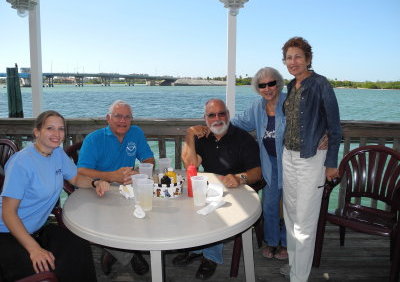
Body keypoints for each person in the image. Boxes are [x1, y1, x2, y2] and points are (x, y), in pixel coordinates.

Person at [0, 110, 110, 282]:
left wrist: (95, 182)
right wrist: (34, 249)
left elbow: (75, 178)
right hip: (7, 233)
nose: (57, 134)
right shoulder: (21, 163)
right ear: (37, 132)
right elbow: (8, 213)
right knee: (41, 272)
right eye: (50, 128)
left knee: (78, 246)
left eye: (61, 129)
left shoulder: (57, 154)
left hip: (37, 229)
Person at [174, 98, 262, 280]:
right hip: (212, 187)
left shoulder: (243, 138)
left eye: (221, 113)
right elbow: (191, 165)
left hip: (239, 191)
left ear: (228, 115)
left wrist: (240, 178)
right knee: (186, 202)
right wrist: (190, 134)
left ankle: (210, 257)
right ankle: (197, 248)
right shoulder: (203, 137)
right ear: (205, 118)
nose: (217, 118)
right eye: (211, 115)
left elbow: (257, 173)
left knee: (215, 212)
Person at [280, 37, 341, 282]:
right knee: (292, 216)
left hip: (311, 159)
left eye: (297, 57)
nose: (293, 62)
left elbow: (335, 127)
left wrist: (331, 164)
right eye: (288, 57)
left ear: (308, 59)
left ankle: (299, 277)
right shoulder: (289, 85)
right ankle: (295, 267)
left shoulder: (320, 84)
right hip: (289, 156)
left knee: (304, 223)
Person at [77, 100, 155, 277]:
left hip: (126, 187)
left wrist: (137, 173)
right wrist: (111, 176)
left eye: (127, 117)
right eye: (118, 116)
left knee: (147, 208)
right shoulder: (94, 139)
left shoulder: (135, 133)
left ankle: (111, 252)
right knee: (108, 217)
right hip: (97, 187)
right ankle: (129, 255)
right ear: (108, 118)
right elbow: (81, 170)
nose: (123, 121)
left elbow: (149, 160)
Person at [231, 67, 289, 260]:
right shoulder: (257, 107)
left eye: (271, 83)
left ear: (278, 83)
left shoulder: (290, 102)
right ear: (258, 88)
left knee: (292, 205)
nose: (267, 88)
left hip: (292, 163)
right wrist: (211, 124)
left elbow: (311, 121)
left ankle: (287, 243)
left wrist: (323, 135)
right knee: (269, 203)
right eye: (262, 85)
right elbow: (237, 122)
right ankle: (272, 242)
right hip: (271, 162)